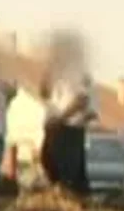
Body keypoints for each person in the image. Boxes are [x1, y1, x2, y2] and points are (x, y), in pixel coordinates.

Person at [40, 64, 96, 197]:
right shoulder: (58, 75)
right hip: (54, 129)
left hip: (68, 130)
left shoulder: (77, 73)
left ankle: (70, 200)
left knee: (68, 176)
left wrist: (60, 119)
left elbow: (81, 100)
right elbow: (44, 93)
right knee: (50, 167)